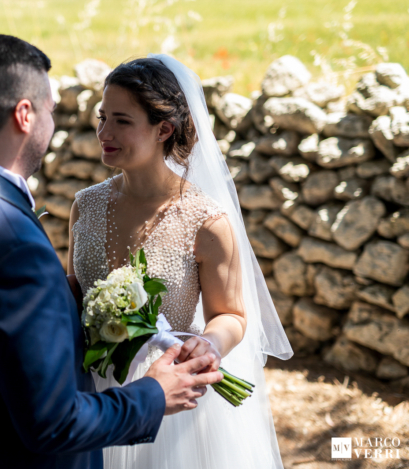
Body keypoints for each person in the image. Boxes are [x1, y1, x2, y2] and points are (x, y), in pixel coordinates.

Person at [0, 36, 223, 469]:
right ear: (24, 115)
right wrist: (154, 393)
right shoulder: (14, 245)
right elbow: (53, 422)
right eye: (51, 111)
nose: (97, 131)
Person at [68, 55, 294, 469]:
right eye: (102, 117)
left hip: (172, 403)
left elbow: (231, 314)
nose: (104, 132)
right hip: (92, 399)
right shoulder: (85, 206)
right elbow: (74, 294)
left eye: (121, 120)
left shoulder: (206, 221)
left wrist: (209, 344)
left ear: (163, 129)